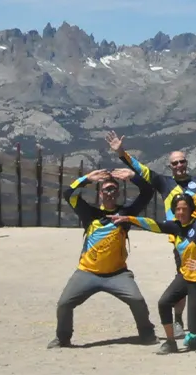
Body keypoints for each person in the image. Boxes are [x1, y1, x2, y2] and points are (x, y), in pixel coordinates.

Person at [51, 134, 158, 349]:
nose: (110, 192)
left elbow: (148, 192)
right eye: (106, 189)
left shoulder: (126, 214)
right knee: (64, 304)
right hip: (87, 272)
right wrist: (86, 179)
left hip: (117, 273)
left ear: (118, 192)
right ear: (100, 193)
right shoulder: (89, 213)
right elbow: (67, 193)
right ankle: (63, 338)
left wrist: (132, 177)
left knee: (137, 301)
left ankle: (146, 333)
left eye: (113, 189)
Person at [114, 193, 196, 354]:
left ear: (191, 210)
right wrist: (129, 219)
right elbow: (154, 224)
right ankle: (170, 342)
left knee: (194, 327)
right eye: (177, 209)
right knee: (164, 303)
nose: (181, 212)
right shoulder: (175, 227)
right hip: (183, 276)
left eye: (184, 209)